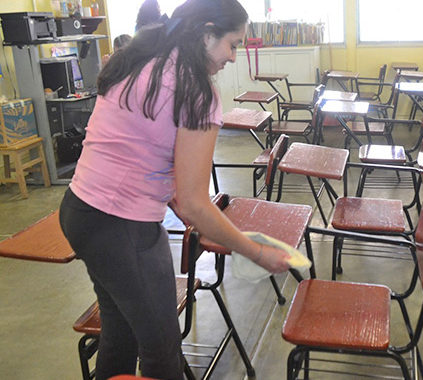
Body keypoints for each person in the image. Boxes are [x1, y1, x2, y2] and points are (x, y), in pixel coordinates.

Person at [58, 1, 290, 379]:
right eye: (233, 44)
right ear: (206, 32)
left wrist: (204, 218)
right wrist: (257, 252)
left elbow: (159, 171)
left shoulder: (138, 60)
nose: (233, 57)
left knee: (121, 328)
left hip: (80, 212)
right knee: (162, 349)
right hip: (120, 225)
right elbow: (196, 203)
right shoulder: (196, 91)